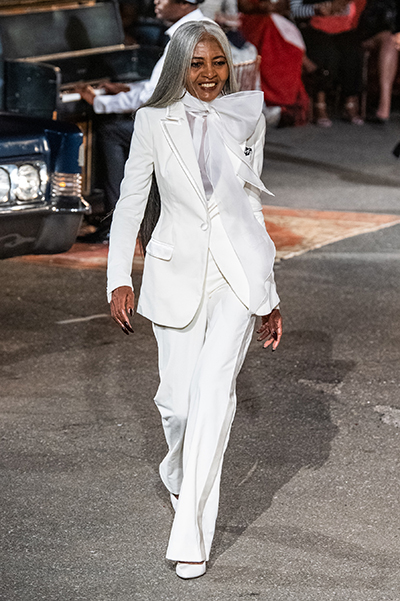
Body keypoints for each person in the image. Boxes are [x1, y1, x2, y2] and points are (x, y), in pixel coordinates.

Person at [107, 20, 282, 578]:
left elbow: (251, 206)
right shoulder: (152, 121)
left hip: (236, 274)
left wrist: (268, 293)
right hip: (174, 272)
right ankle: (179, 475)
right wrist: (119, 277)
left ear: (229, 65)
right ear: (179, 66)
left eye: (218, 62)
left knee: (212, 396)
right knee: (179, 406)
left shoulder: (247, 116)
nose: (209, 74)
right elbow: (131, 201)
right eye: (197, 63)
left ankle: (191, 537)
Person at [77, 0, 210, 242]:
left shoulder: (185, 37)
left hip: (179, 127)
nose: (156, 1)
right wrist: (128, 89)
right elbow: (159, 85)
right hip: (200, 120)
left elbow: (151, 95)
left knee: (110, 131)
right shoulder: (206, 27)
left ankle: (117, 221)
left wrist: (99, 101)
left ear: (184, 3)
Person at [290, 0, 364, 126]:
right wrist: (316, 9)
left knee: (352, 50)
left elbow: (350, 9)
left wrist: (337, 6)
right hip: (310, 27)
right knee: (325, 51)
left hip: (341, 28)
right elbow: (294, 11)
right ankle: (320, 103)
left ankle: (350, 102)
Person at [239, 0, 310, 126]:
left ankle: (285, 100)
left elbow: (286, 6)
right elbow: (242, 5)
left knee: (290, 46)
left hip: (273, 17)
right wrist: (260, 7)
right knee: (269, 33)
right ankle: (271, 100)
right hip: (250, 19)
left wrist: (276, 6)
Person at [358, 0, 399, 123]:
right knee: (390, 41)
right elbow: (369, 22)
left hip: (394, 34)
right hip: (371, 34)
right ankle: (384, 108)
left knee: (392, 40)